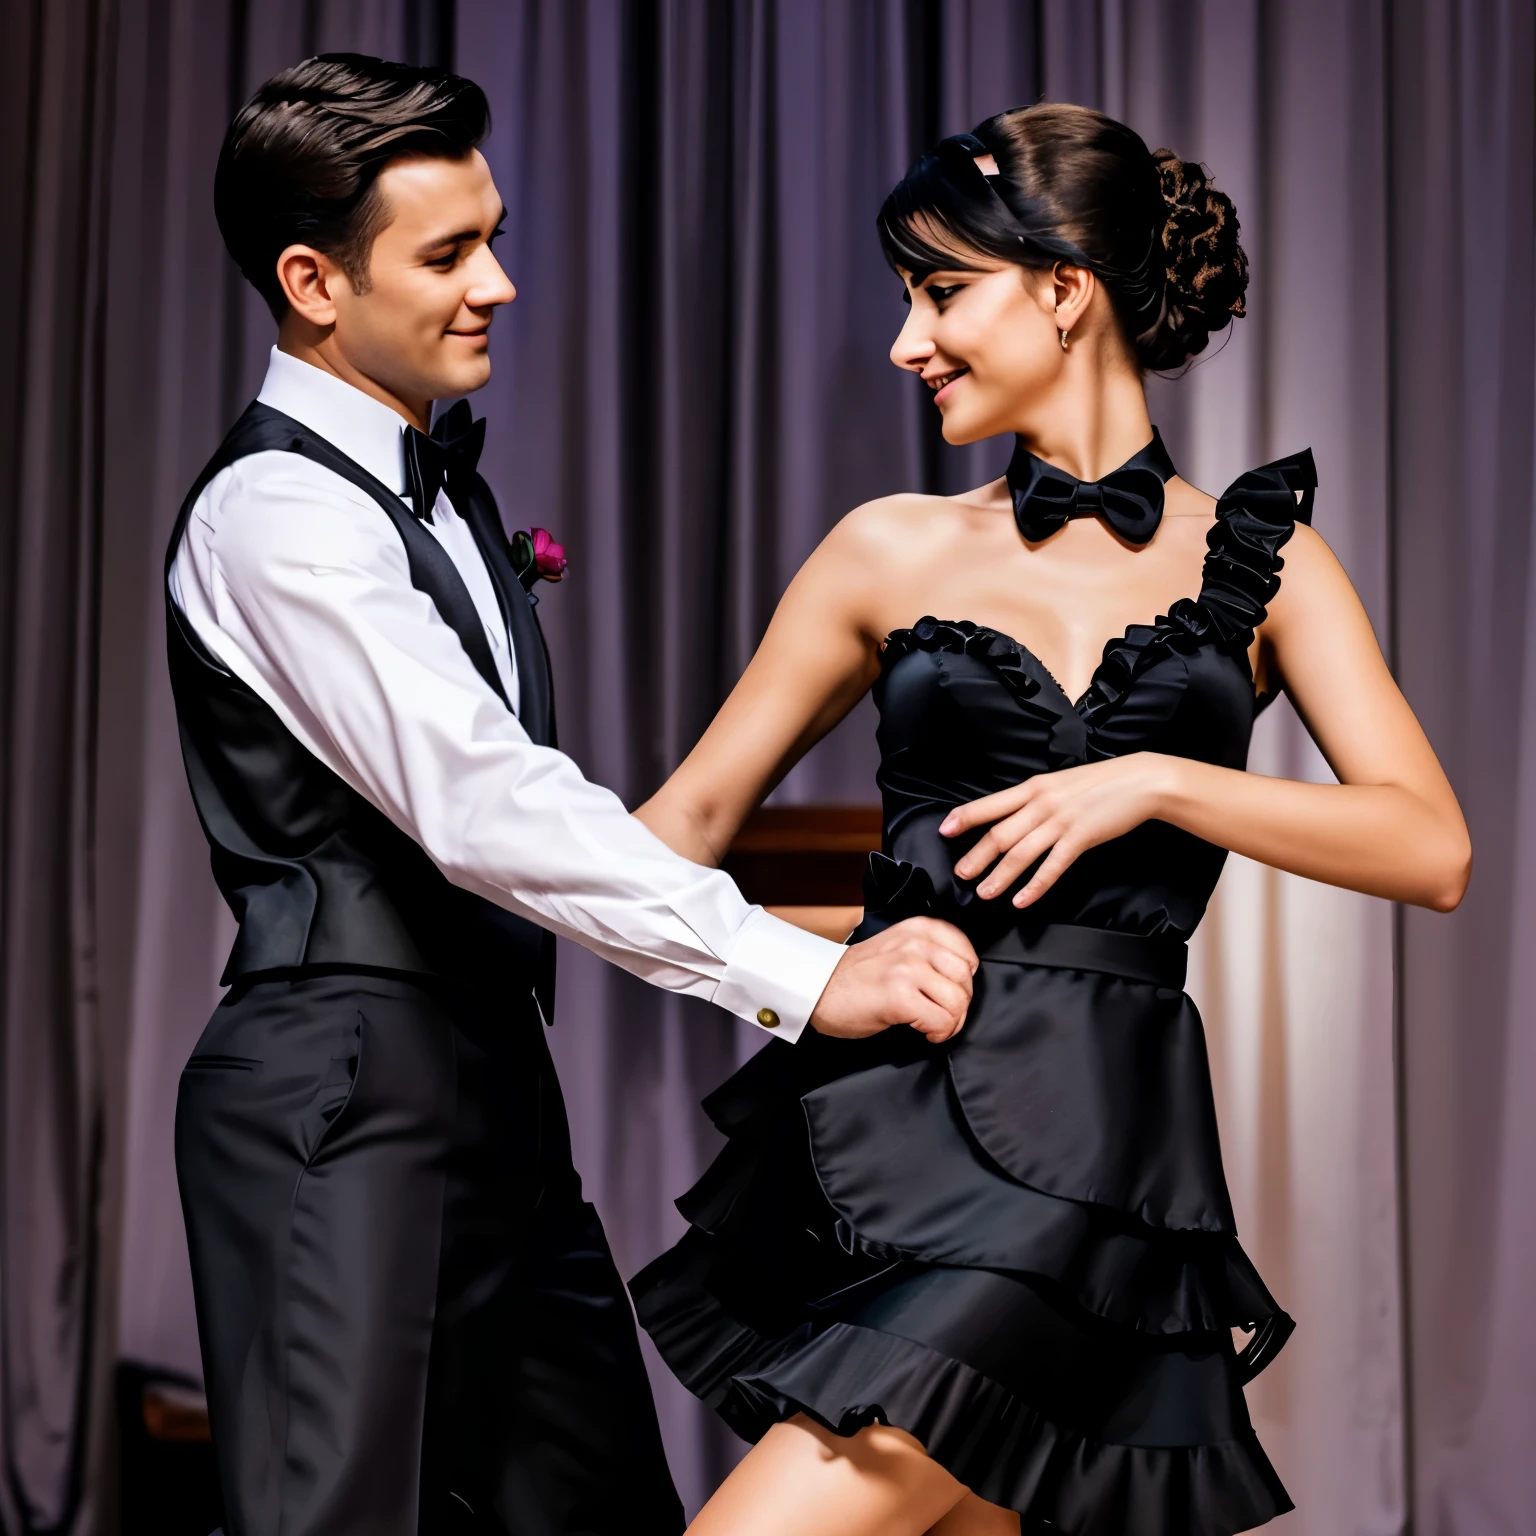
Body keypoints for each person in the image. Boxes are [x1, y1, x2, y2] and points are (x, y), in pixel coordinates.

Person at [629, 103, 1472, 1536]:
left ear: (1065, 292)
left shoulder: (1266, 562)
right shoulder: (884, 548)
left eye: (941, 290)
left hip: (1106, 1154)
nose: (908, 340)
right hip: (893, 1141)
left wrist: (1160, 778)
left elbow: (1429, 845)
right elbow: (670, 838)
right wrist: (823, 965)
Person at [167, 54, 977, 1536]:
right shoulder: (275, 513)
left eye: (495, 235)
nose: (502, 283)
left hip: (491, 1085)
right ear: (311, 280)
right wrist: (805, 975)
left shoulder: (436, 482)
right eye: (450, 251)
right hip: (338, 1088)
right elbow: (484, 809)